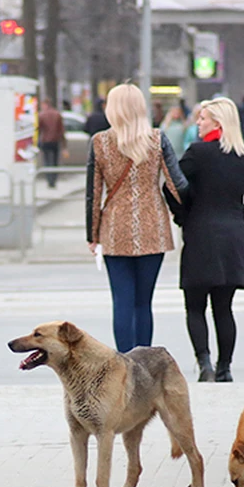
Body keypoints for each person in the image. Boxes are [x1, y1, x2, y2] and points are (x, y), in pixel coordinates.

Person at [166, 98, 244, 382]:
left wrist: (183, 216)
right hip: (232, 238)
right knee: (224, 308)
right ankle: (225, 368)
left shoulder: (197, 153)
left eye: (203, 118)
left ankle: (204, 363)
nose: (198, 122)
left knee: (195, 306)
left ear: (218, 124)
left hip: (200, 236)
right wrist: (241, 218)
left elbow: (170, 185)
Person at [85, 83, 188, 353]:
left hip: (114, 227)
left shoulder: (100, 142)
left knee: (122, 301)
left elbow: (93, 194)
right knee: (144, 302)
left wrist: (92, 235)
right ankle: (145, 365)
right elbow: (177, 185)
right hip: (153, 225)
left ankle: (125, 365)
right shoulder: (157, 139)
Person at [38, 98, 66, 188]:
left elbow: (38, 129)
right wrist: (64, 144)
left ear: (45, 104)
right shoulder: (57, 114)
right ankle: (54, 180)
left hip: (45, 141)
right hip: (55, 140)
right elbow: (61, 130)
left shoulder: (41, 115)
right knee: (54, 161)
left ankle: (49, 180)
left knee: (46, 161)